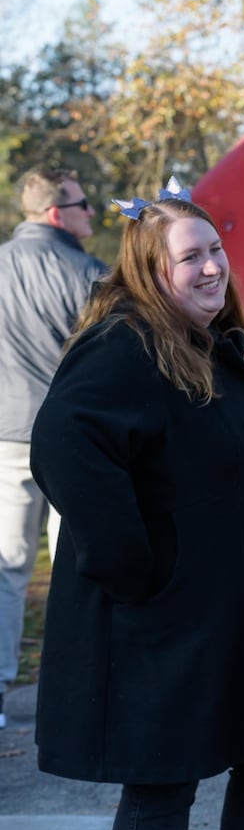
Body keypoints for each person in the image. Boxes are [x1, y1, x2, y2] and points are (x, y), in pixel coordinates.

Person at [28, 182, 244, 830]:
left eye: (215, 250)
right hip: (175, 614)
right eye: (189, 257)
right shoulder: (125, 344)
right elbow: (63, 443)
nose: (211, 268)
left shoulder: (225, 342)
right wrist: (136, 566)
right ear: (149, 270)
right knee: (163, 782)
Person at [0, 167, 105, 729]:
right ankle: (76, 690)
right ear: (55, 213)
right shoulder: (88, 274)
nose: (93, 211)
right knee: (77, 566)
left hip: (6, 435)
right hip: (71, 440)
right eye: (83, 202)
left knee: (7, 567)